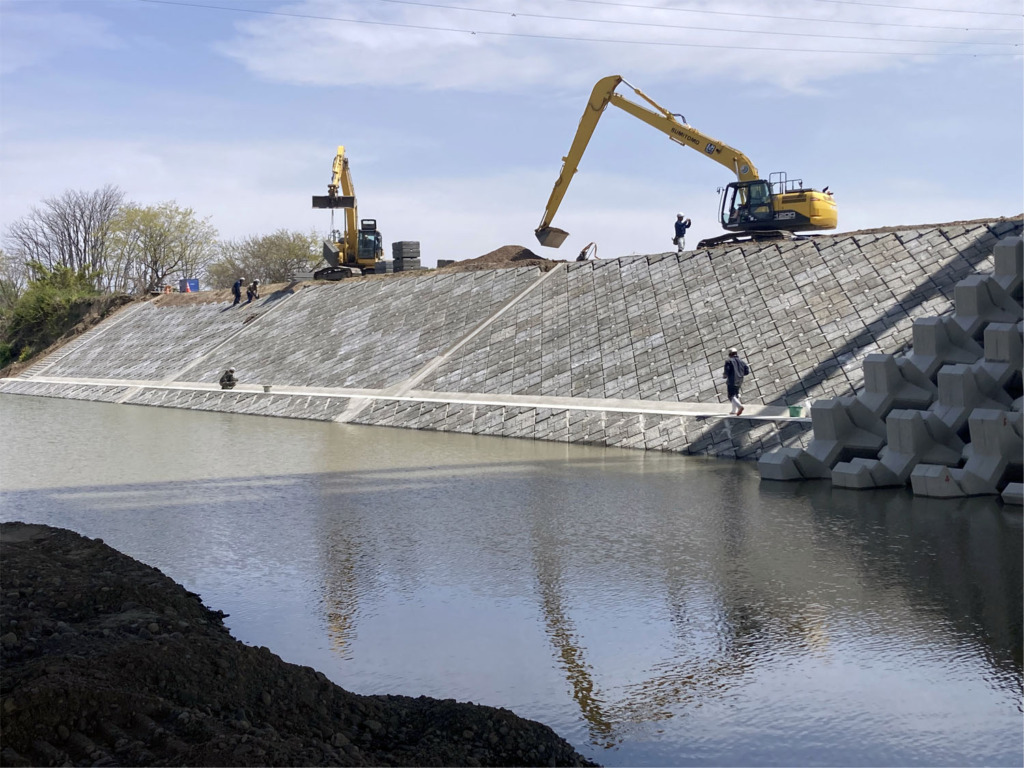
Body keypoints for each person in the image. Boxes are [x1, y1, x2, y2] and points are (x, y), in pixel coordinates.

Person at [723, 348, 750, 416]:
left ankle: (739, 406)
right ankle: (733, 410)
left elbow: (727, 371)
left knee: (731, 395)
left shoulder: (729, 361)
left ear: (729, 354)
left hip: (732, 380)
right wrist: (740, 374)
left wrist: (725, 375)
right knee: (735, 394)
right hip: (740, 379)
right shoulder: (741, 361)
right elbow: (747, 371)